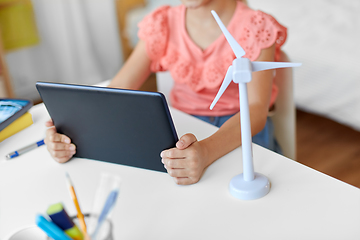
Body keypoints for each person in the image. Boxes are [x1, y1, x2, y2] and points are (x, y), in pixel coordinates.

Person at [45, 0, 287, 185]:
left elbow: (255, 110)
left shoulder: (256, 27)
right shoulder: (162, 24)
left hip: (240, 131)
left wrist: (206, 151)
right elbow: (116, 93)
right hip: (181, 130)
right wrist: (72, 134)